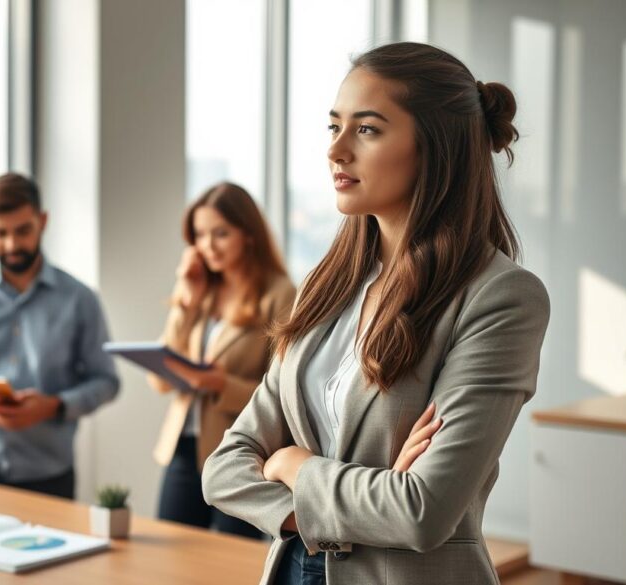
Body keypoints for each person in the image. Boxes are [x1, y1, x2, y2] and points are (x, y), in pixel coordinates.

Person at [201, 42, 550, 585]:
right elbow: (224, 469)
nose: (336, 150)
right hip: (293, 569)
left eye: (366, 130)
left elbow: (421, 510)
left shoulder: (500, 297)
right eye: (334, 126)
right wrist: (361, 494)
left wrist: (291, 465)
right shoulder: (327, 283)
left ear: (435, 149)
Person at [0, 173, 120, 500]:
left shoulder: (79, 299)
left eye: (23, 231)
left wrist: (54, 406)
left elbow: (107, 382)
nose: (12, 245)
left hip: (49, 477)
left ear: (43, 221)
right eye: (0, 233)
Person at [149, 182, 296, 539]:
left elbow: (286, 394)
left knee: (232, 564)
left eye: (220, 234)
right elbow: (161, 380)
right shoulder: (200, 287)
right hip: (184, 448)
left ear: (247, 234)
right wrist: (186, 298)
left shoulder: (279, 294)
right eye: (199, 235)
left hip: (241, 454)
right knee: (172, 559)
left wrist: (220, 385)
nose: (207, 246)